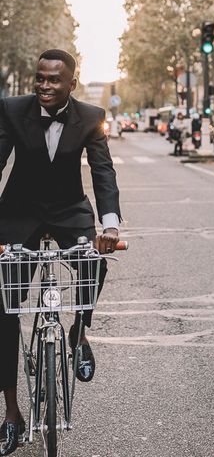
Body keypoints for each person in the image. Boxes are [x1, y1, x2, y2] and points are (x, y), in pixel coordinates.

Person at [0, 49, 121, 455]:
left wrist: (110, 224)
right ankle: (12, 414)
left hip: (70, 211)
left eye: (54, 80)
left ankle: (78, 332)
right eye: (40, 79)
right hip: (18, 214)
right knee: (5, 311)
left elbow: (103, 172)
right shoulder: (12, 110)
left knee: (93, 262)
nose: (44, 86)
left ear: (71, 83)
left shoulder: (90, 116)